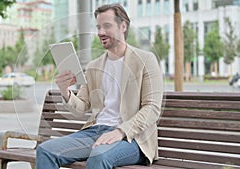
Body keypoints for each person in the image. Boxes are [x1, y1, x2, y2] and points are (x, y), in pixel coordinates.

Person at [36, 3, 163, 169]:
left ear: (123, 26)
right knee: (45, 150)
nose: (100, 32)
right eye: (98, 27)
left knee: (99, 156)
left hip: (132, 138)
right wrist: (65, 91)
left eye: (107, 26)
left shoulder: (146, 60)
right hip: (95, 132)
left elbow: (152, 108)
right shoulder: (93, 66)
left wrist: (120, 131)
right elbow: (81, 107)